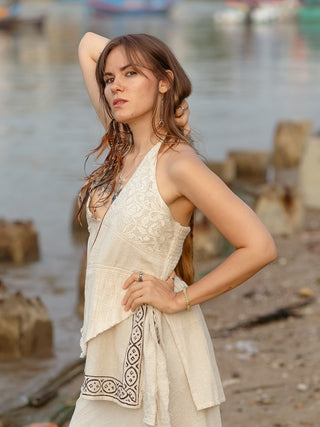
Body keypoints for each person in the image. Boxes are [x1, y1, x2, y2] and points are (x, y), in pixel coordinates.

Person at [70, 32, 277, 427]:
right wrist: (166, 92)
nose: (116, 86)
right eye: (110, 78)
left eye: (132, 74)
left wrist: (180, 300)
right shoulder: (123, 144)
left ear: (163, 81)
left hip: (156, 347)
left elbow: (259, 245)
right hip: (107, 355)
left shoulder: (178, 164)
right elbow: (86, 45)